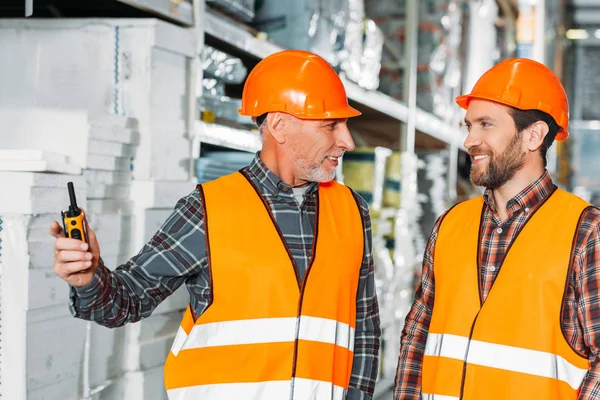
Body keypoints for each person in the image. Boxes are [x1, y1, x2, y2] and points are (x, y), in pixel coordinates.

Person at [50, 50, 380, 400]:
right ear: (280, 126)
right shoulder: (208, 210)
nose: (347, 141)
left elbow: (365, 331)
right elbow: (125, 300)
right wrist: (89, 279)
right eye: (330, 125)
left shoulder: (351, 211)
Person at [394, 58, 600, 399]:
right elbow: (417, 335)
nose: (470, 140)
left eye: (486, 125)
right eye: (469, 125)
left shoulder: (586, 232)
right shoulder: (450, 224)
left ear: (533, 135)